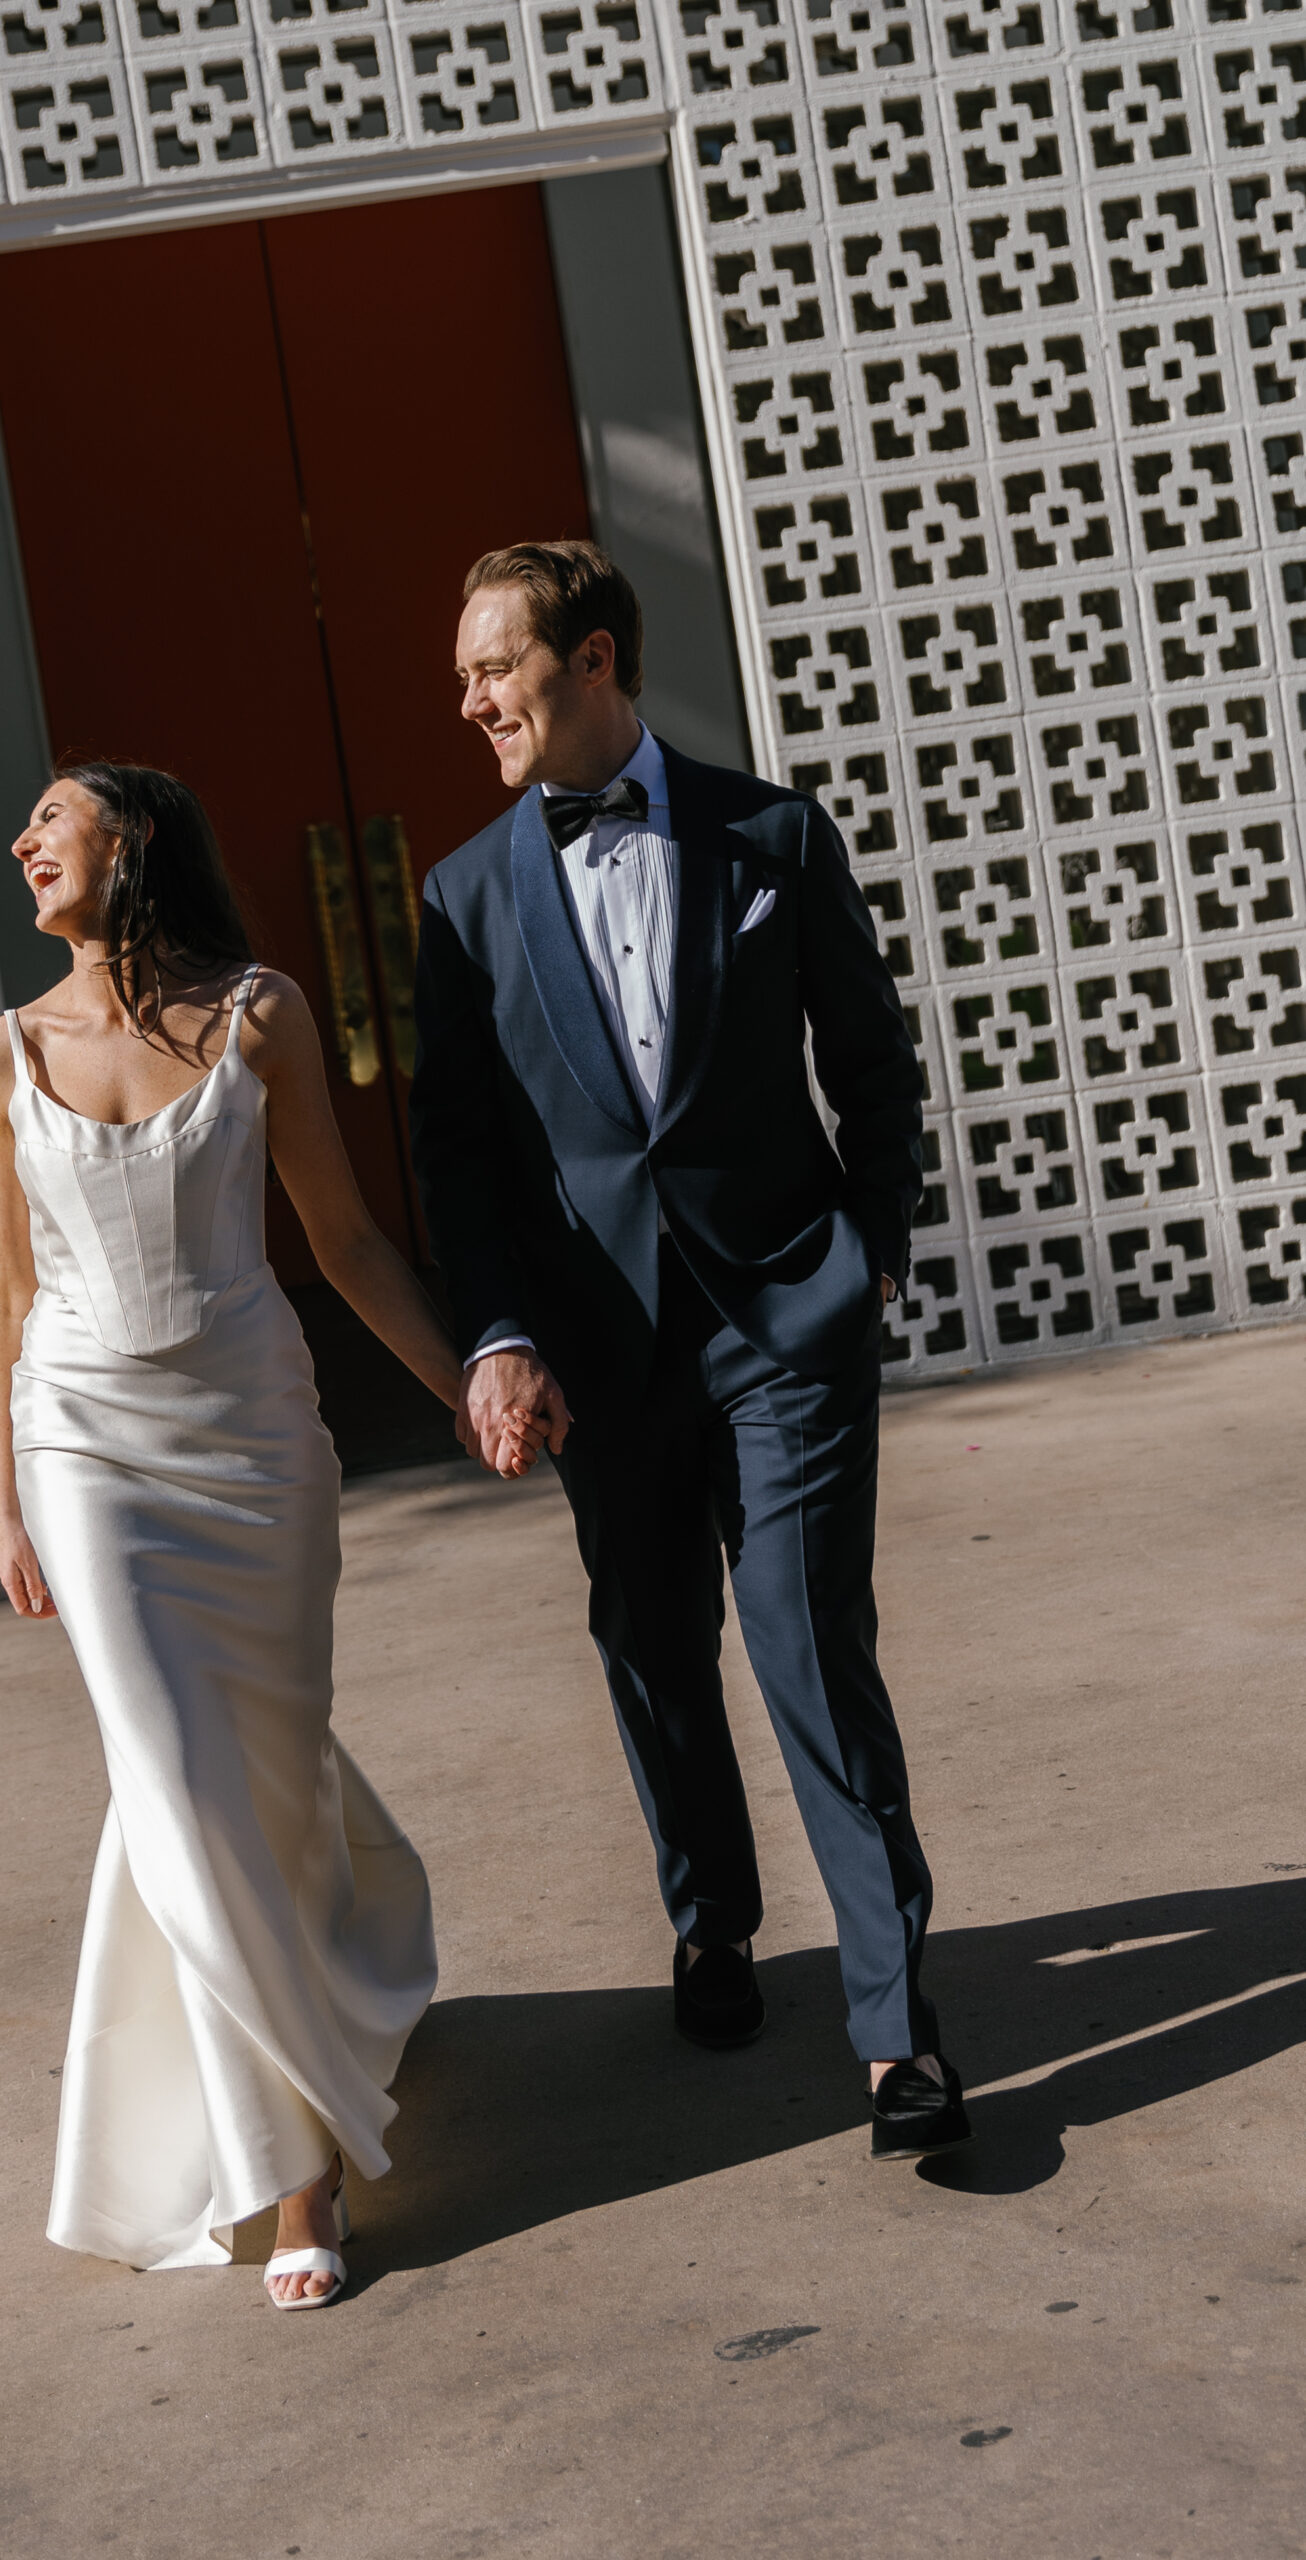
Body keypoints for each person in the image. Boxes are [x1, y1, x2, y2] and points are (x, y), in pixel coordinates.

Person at [410, 542, 972, 2161]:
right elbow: (458, 1153)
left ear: (590, 661)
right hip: (598, 1355)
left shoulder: (773, 832)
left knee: (809, 1650)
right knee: (651, 1646)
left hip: (787, 1322)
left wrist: (867, 1255)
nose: (469, 703)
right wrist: (500, 1335)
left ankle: (893, 2036)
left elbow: (869, 1061)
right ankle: (712, 1919)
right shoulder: (462, 895)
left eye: (492, 669)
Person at [0, 762, 544, 2309]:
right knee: (169, 1780)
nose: (24, 842)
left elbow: (344, 1241)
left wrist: (467, 1389)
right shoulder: (0, 1055)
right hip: (85, 1450)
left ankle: (344, 1965)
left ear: (133, 838)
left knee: (253, 1782)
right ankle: (299, 2176)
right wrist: (11, 1499)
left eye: (52, 818)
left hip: (253, 1454)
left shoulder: (263, 1016)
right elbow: (7, 1298)